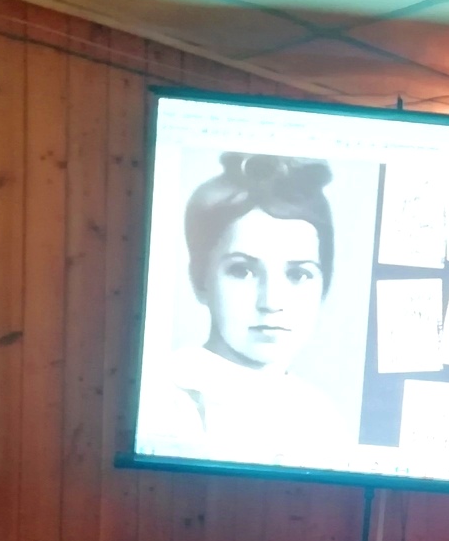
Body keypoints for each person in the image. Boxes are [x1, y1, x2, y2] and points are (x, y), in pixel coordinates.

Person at [138, 152, 348, 464]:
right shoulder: (167, 397)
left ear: (324, 286)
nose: (271, 302)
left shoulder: (322, 417)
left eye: (298, 275)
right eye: (242, 271)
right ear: (200, 279)